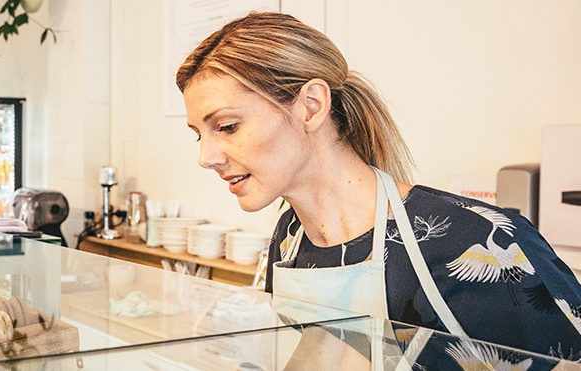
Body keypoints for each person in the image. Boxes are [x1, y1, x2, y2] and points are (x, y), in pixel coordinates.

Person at [177, 12, 581, 365]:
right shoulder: (291, 237)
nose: (206, 157)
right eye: (200, 135)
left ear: (311, 106)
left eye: (227, 126)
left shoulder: (475, 240)